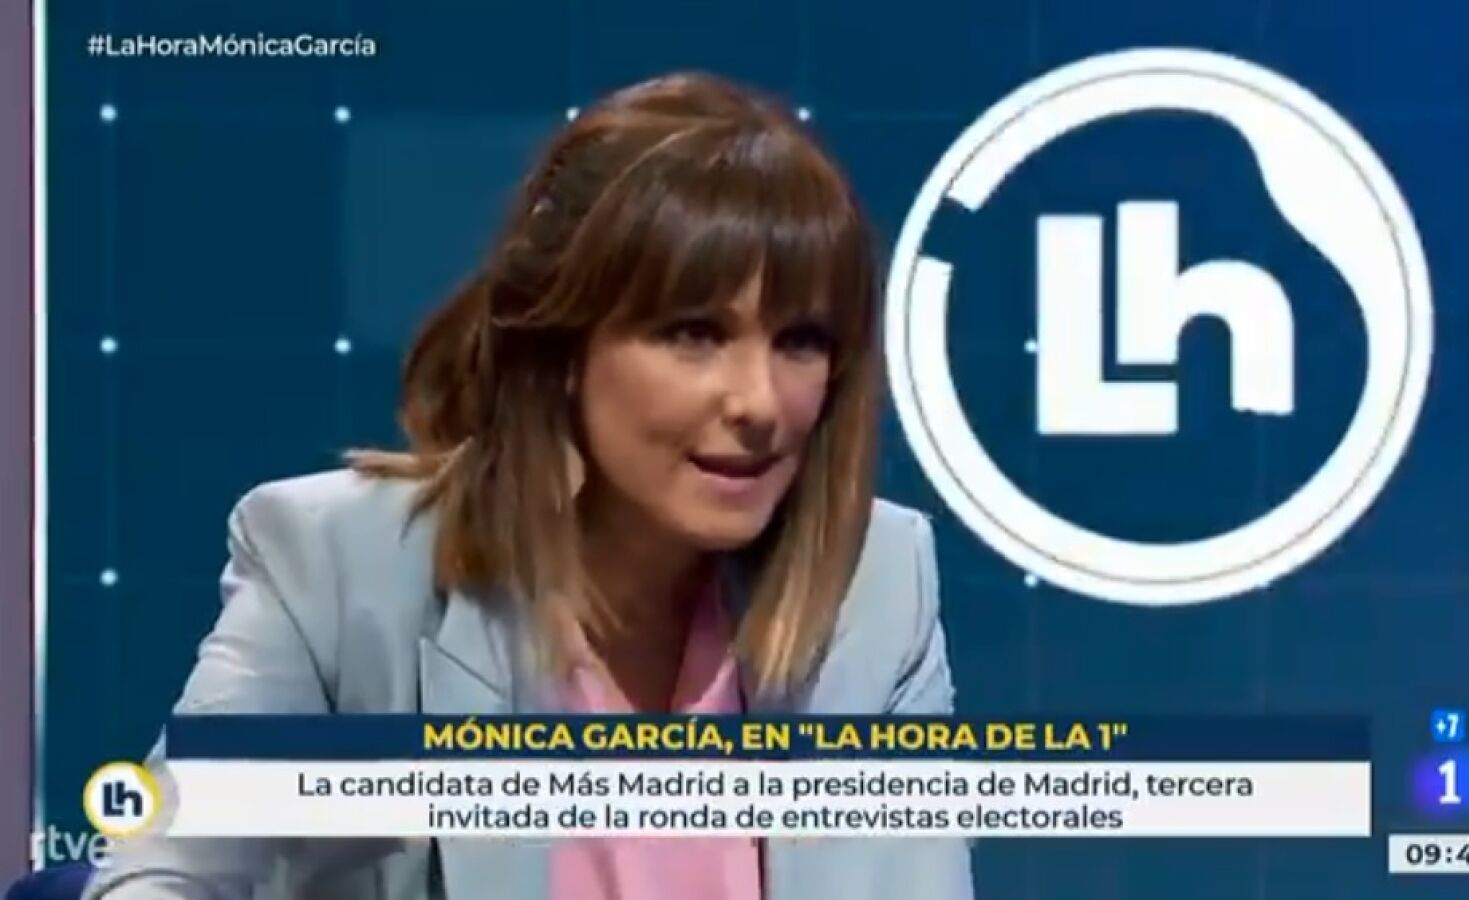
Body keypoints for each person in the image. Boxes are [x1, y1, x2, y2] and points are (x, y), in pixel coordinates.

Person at [84, 72, 972, 900]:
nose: (760, 403)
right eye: (695, 334)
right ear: (562, 347)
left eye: (800, 341)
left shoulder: (878, 586)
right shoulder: (338, 568)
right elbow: (158, 874)